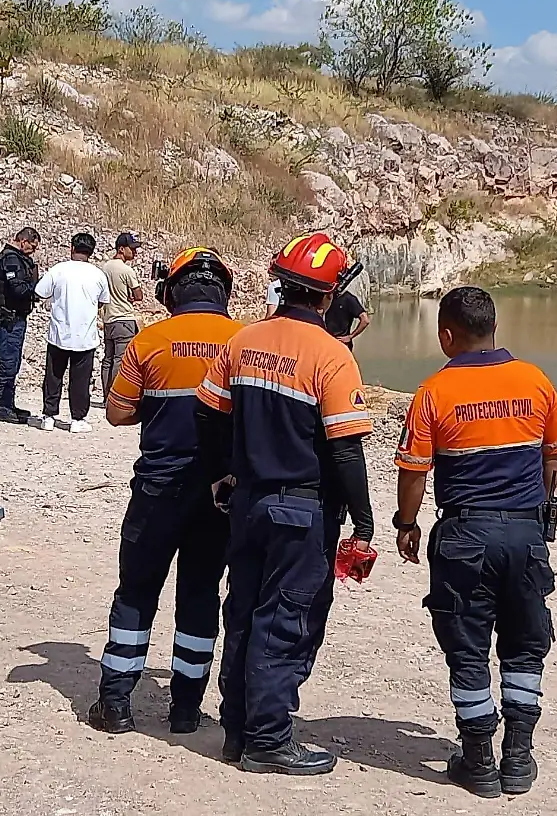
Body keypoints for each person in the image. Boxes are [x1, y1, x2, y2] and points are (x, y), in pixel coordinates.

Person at [196, 232, 376, 775]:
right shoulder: (333, 356)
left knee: (245, 614)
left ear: (281, 282)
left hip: (248, 503)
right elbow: (345, 450)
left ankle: (237, 731)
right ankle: (270, 741)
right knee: (287, 623)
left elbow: (208, 415)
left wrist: (223, 473)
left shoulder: (243, 341)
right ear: (330, 296)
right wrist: (364, 521)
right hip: (302, 511)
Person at [392, 285, 557, 798]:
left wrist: (406, 523)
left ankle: (477, 761)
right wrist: (539, 507)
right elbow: (554, 457)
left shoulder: (434, 392)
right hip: (525, 531)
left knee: (468, 648)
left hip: (464, 535)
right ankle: (517, 758)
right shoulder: (536, 381)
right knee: (524, 644)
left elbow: (413, 471)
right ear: (494, 328)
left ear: (447, 334)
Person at [89, 249, 242, 736]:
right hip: (220, 496)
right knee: (199, 595)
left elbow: (116, 413)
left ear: (170, 292)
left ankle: (115, 704)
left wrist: (157, 411)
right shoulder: (246, 342)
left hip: (158, 488)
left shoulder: (149, 340)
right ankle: (185, 710)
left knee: (136, 591)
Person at [35, 232, 110, 433]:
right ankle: (78, 419)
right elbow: (103, 301)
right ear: (91, 252)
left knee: (53, 376)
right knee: (81, 380)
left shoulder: (59, 270)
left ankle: (49, 416)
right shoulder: (98, 275)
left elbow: (40, 292)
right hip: (85, 336)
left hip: (59, 333)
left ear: (72, 248)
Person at [0, 227, 41, 423]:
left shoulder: (12, 258)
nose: (33, 250)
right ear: (23, 241)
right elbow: (17, 289)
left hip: (13, 319)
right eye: (32, 246)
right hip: (8, 320)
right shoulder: (10, 260)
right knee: (8, 364)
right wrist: (37, 288)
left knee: (13, 363)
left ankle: (8, 403)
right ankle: (3, 407)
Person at [99, 232, 145, 408]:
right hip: (124, 319)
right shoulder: (127, 270)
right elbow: (138, 295)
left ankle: (105, 396)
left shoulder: (104, 268)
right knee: (120, 360)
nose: (135, 253)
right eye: (132, 249)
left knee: (107, 359)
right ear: (121, 249)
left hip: (108, 319)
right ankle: (115, 398)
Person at [323, 276, 371, 349]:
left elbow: (365, 320)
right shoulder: (326, 298)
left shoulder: (348, 299)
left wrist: (350, 336)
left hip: (341, 342)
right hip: (328, 341)